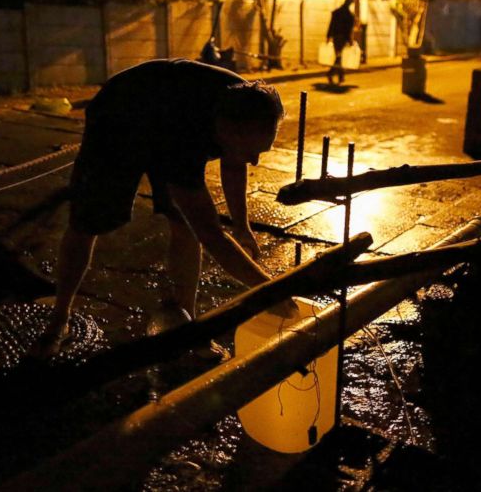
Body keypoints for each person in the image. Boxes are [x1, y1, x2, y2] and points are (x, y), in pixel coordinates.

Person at [35, 58, 294, 357]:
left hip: (166, 108)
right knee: (88, 221)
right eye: (253, 151)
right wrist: (269, 290)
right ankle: (59, 318)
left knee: (183, 226)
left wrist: (242, 226)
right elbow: (211, 234)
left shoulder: (246, 102)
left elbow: (235, 165)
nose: (255, 161)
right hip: (118, 120)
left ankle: (185, 326)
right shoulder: (182, 141)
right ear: (227, 132)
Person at [325, 0, 355, 85]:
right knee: (339, 57)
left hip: (336, 37)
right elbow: (349, 30)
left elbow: (332, 25)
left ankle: (340, 76)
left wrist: (328, 36)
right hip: (342, 38)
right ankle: (331, 73)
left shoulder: (337, 12)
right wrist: (350, 41)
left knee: (339, 56)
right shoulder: (349, 16)